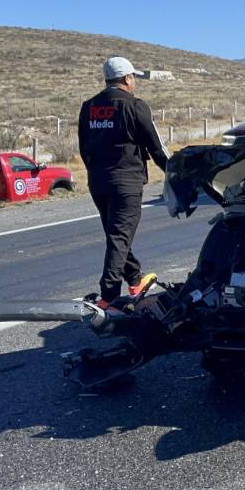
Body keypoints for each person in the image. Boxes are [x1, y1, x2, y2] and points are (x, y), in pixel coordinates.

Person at [78, 57, 170, 310]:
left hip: (98, 180)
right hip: (126, 182)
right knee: (119, 236)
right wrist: (173, 172)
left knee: (116, 234)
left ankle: (134, 280)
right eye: (134, 78)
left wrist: (95, 172)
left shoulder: (89, 107)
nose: (134, 82)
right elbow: (156, 146)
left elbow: (83, 147)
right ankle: (108, 296)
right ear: (127, 78)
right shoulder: (135, 106)